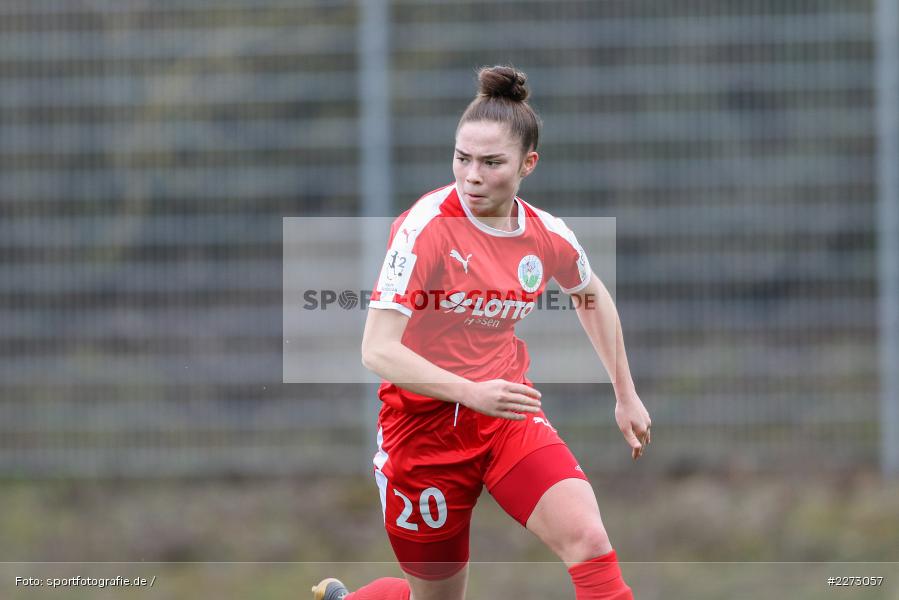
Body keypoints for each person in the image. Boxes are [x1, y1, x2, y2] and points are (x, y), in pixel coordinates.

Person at [312, 65, 651, 600]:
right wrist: (470, 392)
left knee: (588, 540)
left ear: (527, 164)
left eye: (491, 162)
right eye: (462, 158)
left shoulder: (546, 235)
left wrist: (625, 394)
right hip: (421, 438)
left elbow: (592, 295)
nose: (471, 175)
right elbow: (377, 349)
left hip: (507, 419)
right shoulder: (423, 229)